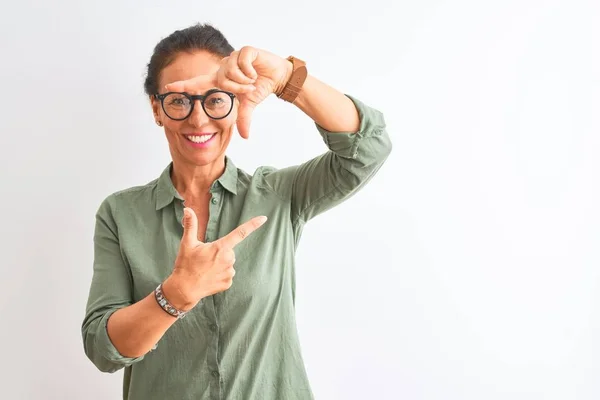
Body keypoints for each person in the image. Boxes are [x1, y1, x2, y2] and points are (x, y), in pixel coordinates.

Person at [81, 22, 392, 400]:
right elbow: (102, 348)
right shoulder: (120, 214)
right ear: (157, 109)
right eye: (179, 101)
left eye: (215, 98)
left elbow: (369, 148)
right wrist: (175, 295)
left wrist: (288, 79)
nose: (198, 120)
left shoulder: (280, 195)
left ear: (236, 102)